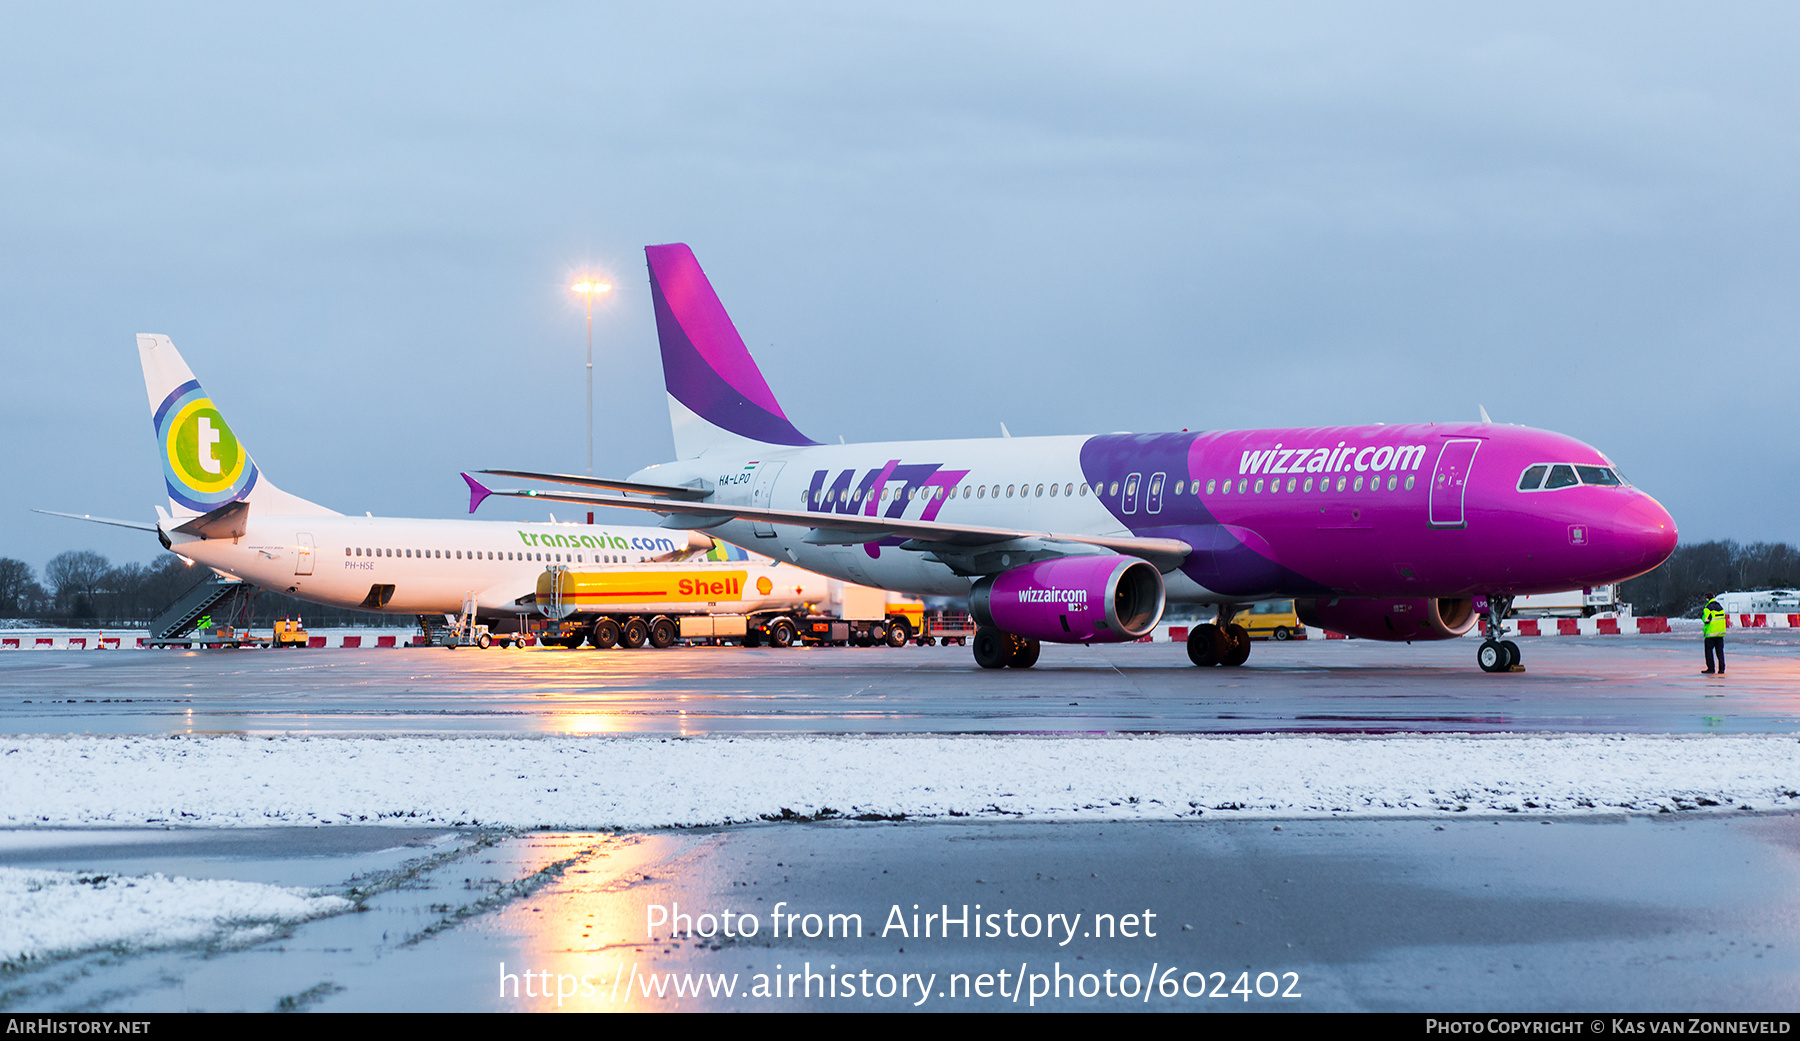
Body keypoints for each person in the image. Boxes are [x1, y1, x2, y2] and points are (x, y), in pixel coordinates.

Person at [1702, 595, 1727, 675]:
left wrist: (1702, 617)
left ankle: (1711, 668)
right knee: (1720, 652)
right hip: (1720, 633)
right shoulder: (1720, 607)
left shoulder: (1707, 608)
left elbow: (1706, 620)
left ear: (1707, 599)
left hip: (1711, 633)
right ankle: (1721, 669)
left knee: (1709, 652)